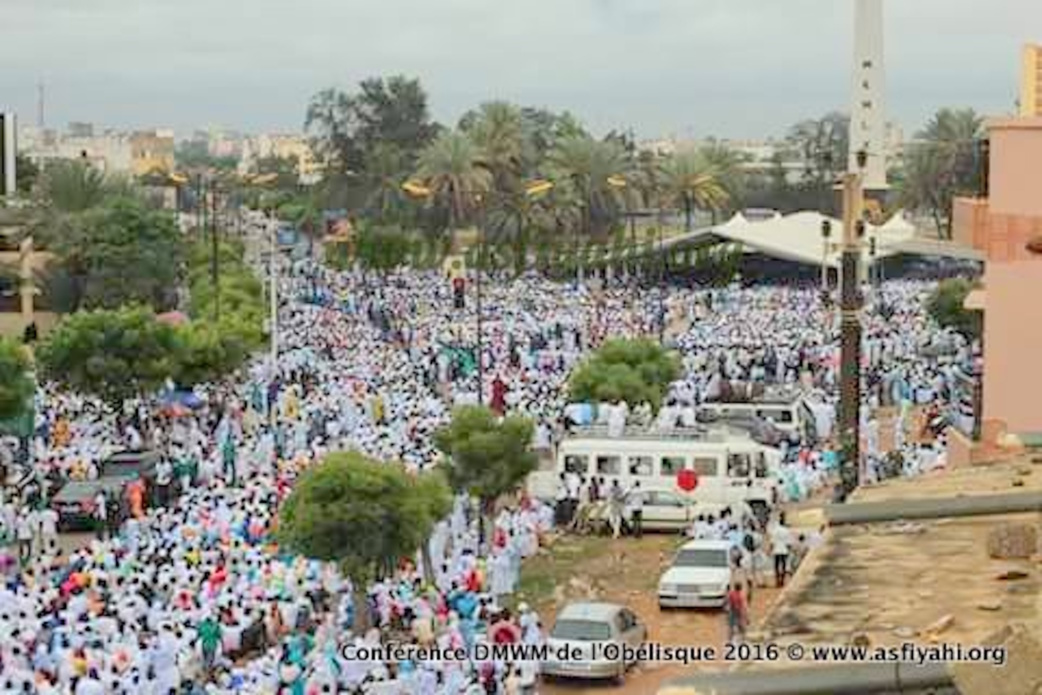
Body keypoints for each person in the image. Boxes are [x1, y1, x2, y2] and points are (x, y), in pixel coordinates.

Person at [769, 513, 792, 588]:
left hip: (776, 550)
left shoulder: (775, 530)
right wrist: (789, 550)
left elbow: (772, 542)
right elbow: (788, 542)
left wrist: (770, 550)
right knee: (783, 566)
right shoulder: (786, 530)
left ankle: (777, 580)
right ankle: (782, 580)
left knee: (776, 566)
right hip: (784, 550)